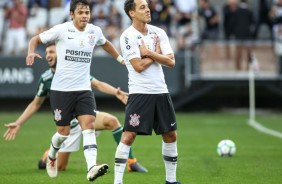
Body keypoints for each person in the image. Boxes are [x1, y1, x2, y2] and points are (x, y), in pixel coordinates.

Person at [3, 43, 148, 173]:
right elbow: (36, 103)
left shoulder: (75, 71)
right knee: (60, 167)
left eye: (52, 52)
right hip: (68, 127)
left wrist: (116, 93)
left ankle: (130, 162)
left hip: (85, 116)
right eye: (47, 53)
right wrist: (18, 123)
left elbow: (97, 84)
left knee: (112, 121)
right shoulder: (46, 78)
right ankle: (48, 155)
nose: (48, 55)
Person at [25, 0, 124, 181]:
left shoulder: (94, 31)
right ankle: (52, 155)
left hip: (83, 90)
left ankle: (91, 167)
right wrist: (31, 51)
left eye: (87, 12)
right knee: (63, 133)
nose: (85, 16)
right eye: (81, 12)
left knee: (89, 126)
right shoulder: (62, 29)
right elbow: (35, 39)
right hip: (61, 91)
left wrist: (120, 59)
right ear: (72, 14)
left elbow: (106, 43)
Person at [114, 0, 180, 184]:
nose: (148, 9)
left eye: (147, 6)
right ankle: (117, 182)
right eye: (142, 7)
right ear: (132, 13)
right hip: (140, 93)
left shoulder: (159, 32)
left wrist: (149, 53)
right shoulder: (127, 36)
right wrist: (156, 54)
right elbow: (138, 66)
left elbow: (171, 61)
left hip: (161, 91)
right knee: (128, 135)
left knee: (171, 134)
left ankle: (171, 180)